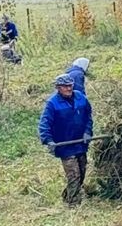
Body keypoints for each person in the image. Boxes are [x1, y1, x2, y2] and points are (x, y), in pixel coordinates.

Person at [38, 72, 93, 206]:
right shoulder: (52, 104)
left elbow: (88, 117)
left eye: (70, 85)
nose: (68, 89)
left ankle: (67, 195)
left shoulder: (81, 98)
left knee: (82, 171)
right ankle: (74, 204)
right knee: (74, 175)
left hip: (80, 143)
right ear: (58, 88)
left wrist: (87, 132)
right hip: (65, 146)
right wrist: (48, 140)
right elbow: (44, 124)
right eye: (65, 86)